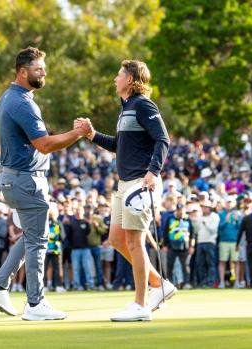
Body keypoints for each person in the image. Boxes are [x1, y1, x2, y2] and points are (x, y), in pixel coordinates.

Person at [0, 47, 89, 321]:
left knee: (33, 236)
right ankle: (35, 303)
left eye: (44, 68)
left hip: (14, 179)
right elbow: (44, 145)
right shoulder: (22, 102)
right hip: (26, 180)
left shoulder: (11, 97)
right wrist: (78, 133)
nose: (43, 73)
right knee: (39, 242)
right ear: (22, 71)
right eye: (38, 69)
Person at [81, 59, 175, 322]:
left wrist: (153, 172)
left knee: (134, 241)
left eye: (119, 74)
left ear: (131, 80)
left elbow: (163, 139)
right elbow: (118, 145)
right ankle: (160, 285)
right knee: (117, 239)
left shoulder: (143, 105)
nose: (115, 79)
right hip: (125, 183)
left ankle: (141, 304)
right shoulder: (126, 109)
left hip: (140, 183)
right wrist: (92, 134)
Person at [193, 201, 219, 288]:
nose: (204, 209)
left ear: (210, 208)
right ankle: (202, 282)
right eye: (203, 207)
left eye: (206, 207)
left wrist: (205, 223)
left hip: (210, 242)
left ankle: (210, 282)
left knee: (210, 263)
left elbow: (213, 230)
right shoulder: (199, 217)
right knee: (200, 263)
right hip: (200, 242)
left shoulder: (214, 216)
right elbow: (196, 231)